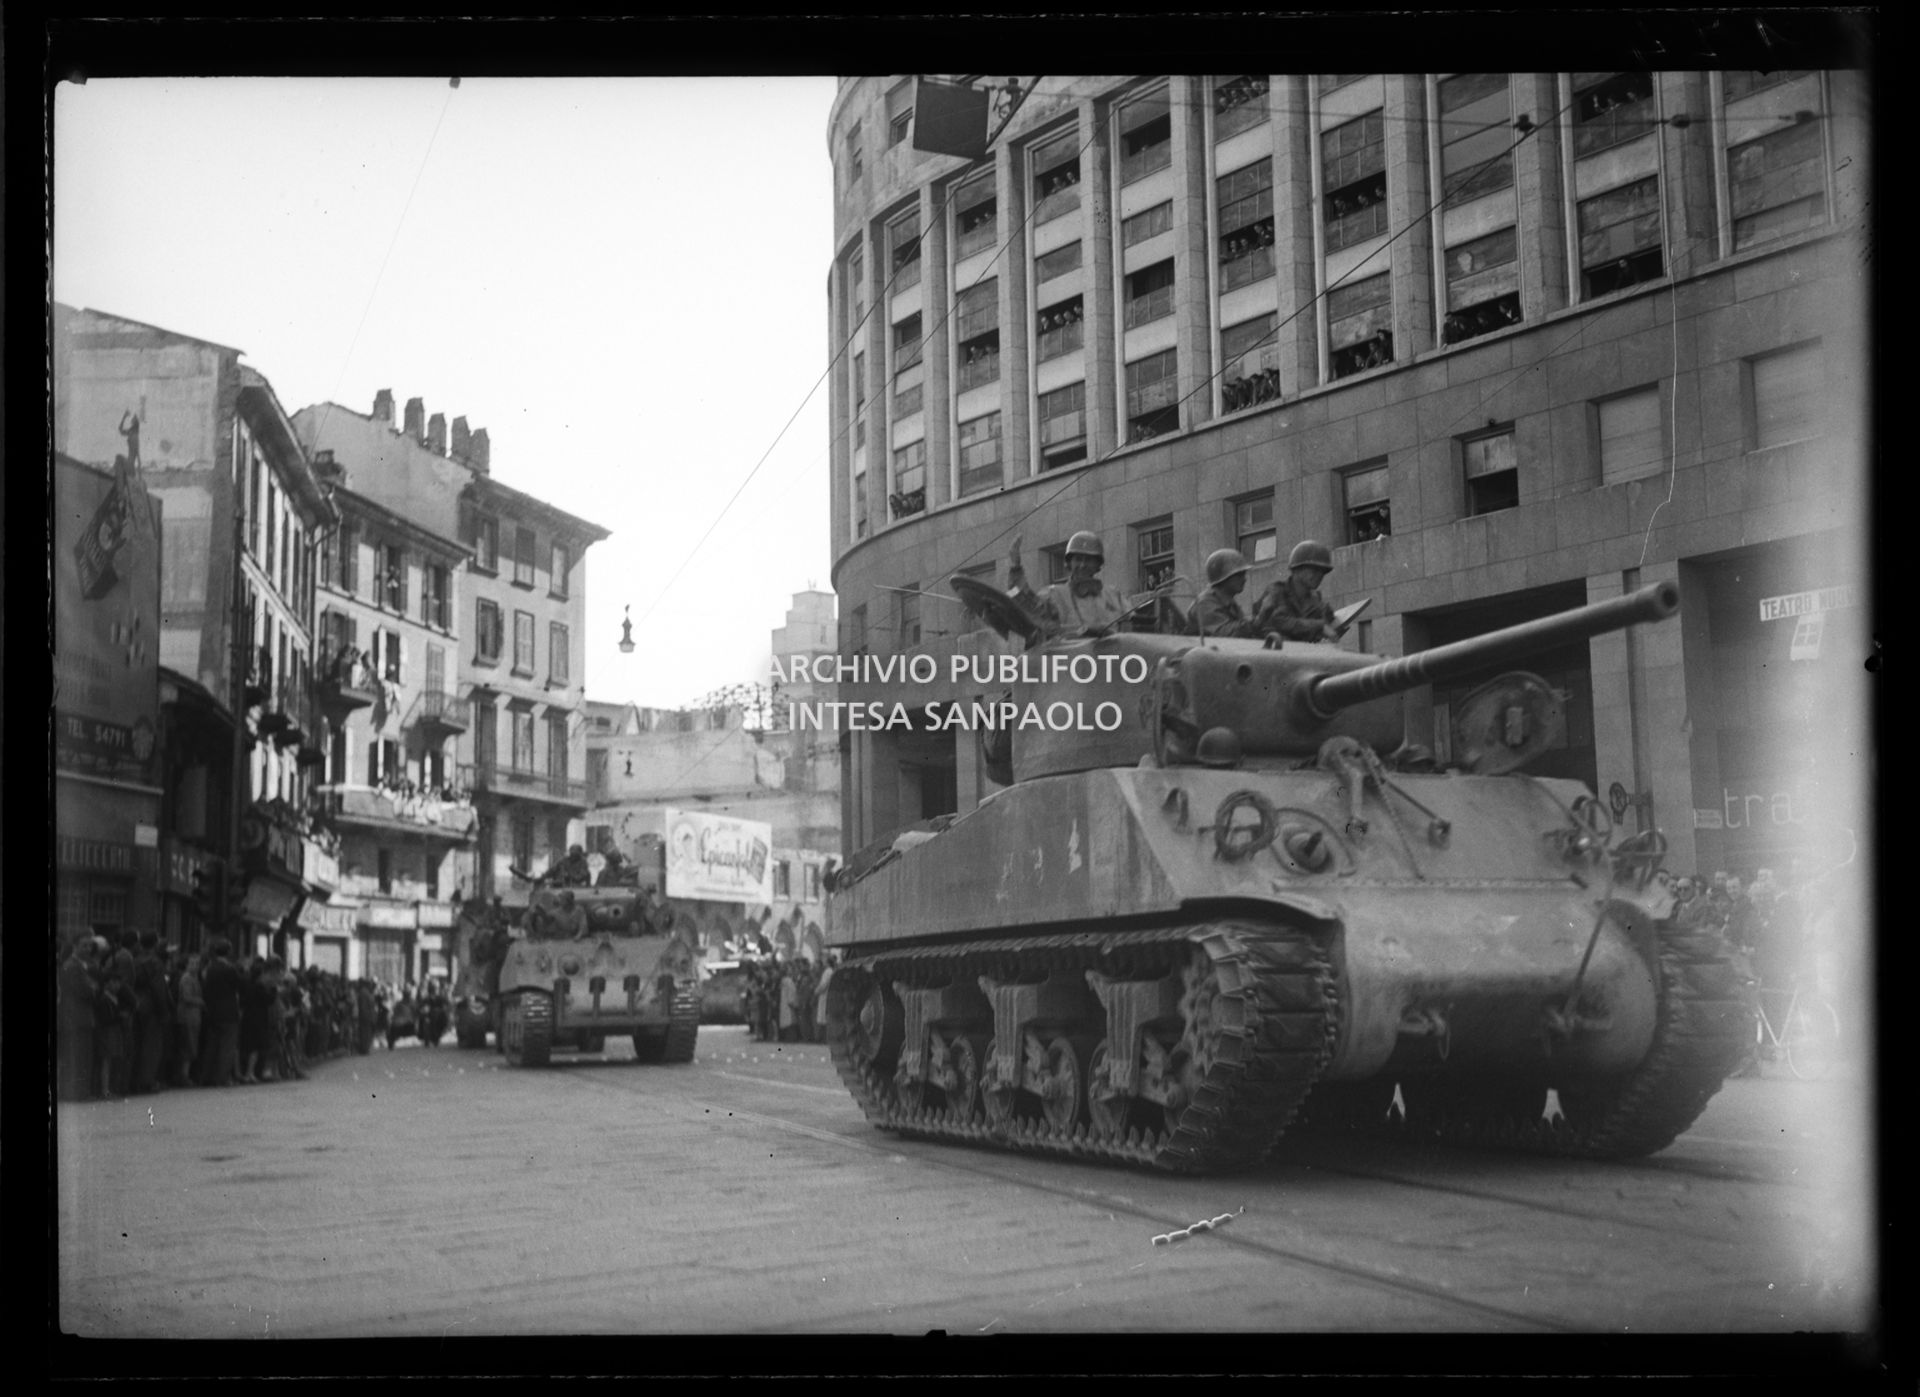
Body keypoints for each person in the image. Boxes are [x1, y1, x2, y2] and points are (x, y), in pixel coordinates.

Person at [1006, 531, 1136, 642]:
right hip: (1071, 665)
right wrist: (1015, 568)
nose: (1082, 565)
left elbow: (1136, 627)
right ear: (1069, 564)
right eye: (1078, 559)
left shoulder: (1114, 595)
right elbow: (1025, 604)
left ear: (1098, 565)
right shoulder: (1054, 594)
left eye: (1089, 560)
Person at [1252, 540, 1342, 643]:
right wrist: (1320, 626)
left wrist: (1333, 625)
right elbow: (1277, 620)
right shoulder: (1276, 592)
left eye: (1323, 572)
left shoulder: (1317, 602)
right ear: (1297, 569)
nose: (1320, 575)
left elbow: (1329, 627)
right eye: (1315, 570)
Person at [58, 935, 100, 1102]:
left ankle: (73, 1092)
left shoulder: (71, 965)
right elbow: (86, 990)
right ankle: (79, 1093)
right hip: (79, 1017)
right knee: (81, 1058)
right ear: (75, 946)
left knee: (74, 1058)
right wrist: (93, 987)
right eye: (84, 945)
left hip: (73, 1017)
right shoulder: (75, 967)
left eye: (89, 946)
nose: (88, 949)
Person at [198, 938, 244, 1087]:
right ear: (229, 952)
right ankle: (222, 1078)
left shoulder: (209, 969)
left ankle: (206, 1077)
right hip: (229, 1012)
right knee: (227, 1047)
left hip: (212, 1011)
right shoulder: (230, 969)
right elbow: (239, 986)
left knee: (211, 1046)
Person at [1189, 548, 1260, 639]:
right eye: (1239, 575)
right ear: (1224, 578)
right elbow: (1225, 633)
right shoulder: (1204, 603)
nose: (1244, 579)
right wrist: (1258, 621)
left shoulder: (1229, 602)